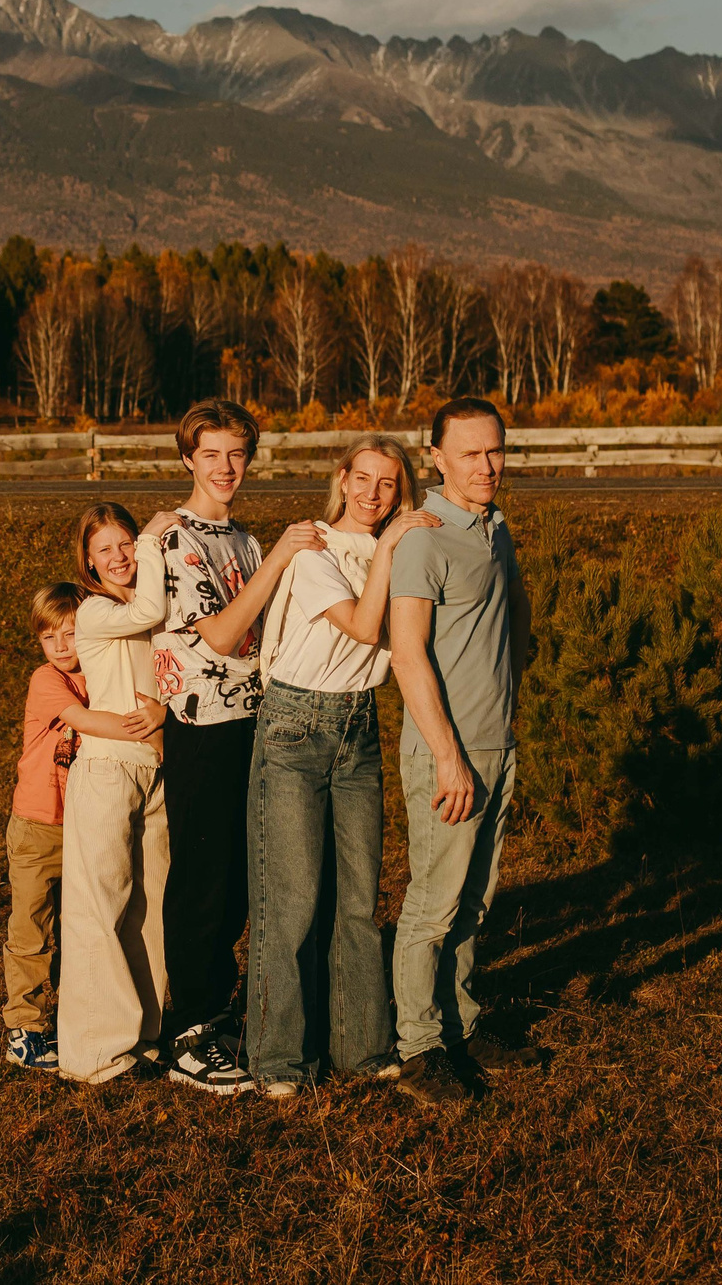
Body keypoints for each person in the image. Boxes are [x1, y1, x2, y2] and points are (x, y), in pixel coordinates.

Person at [242, 435, 438, 1097]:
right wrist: (387, 547)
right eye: (364, 478)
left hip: (358, 726)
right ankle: (278, 1061)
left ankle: (360, 1046)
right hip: (296, 725)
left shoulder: (402, 549)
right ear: (343, 479)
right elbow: (360, 624)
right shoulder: (316, 547)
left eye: (388, 483)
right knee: (291, 901)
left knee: (357, 900)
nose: (374, 493)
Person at [146, 399, 325, 1096]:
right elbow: (219, 636)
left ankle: (220, 1014)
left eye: (237, 454)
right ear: (187, 457)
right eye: (211, 454)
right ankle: (186, 1031)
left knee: (239, 882)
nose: (225, 468)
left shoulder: (245, 541)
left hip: (254, 718)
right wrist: (282, 553)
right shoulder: (175, 542)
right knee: (201, 876)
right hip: (199, 724)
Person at [386, 397, 533, 1107]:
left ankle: (462, 1022)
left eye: (496, 450)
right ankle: (418, 1047)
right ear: (436, 457)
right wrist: (447, 753)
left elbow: (513, 619)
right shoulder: (426, 537)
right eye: (470, 453)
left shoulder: (495, 527)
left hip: (496, 742)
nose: (487, 465)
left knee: (474, 901)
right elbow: (406, 654)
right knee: (433, 906)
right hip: (448, 753)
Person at [57, 501, 180, 1085]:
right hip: (106, 769)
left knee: (150, 907)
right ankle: (94, 1055)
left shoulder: (146, 607)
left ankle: (146, 1034)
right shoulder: (97, 612)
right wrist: (156, 539)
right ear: (88, 561)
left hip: (154, 769)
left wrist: (162, 710)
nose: (120, 556)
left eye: (127, 542)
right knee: (98, 910)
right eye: (104, 549)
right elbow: (152, 606)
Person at [3, 583, 85, 1073]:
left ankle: (73, 1018)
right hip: (36, 825)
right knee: (31, 928)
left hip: (83, 823)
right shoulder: (45, 680)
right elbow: (87, 722)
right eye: (48, 636)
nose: (60, 645)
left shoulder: (100, 674)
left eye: (70, 633)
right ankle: (24, 1028)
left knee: (79, 929)